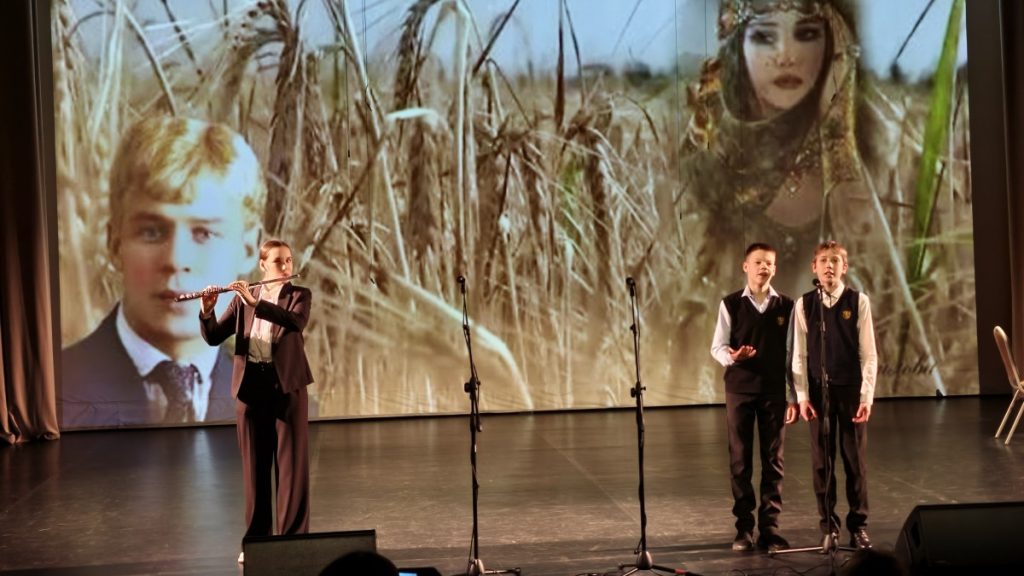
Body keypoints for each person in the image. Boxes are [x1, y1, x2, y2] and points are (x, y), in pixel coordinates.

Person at [61, 116, 265, 428]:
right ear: (114, 244)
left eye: (204, 234)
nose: (176, 259)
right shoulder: (52, 394)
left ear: (248, 249)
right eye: (152, 232)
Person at [199, 239, 313, 563]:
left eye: (289, 260)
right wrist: (207, 310)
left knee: (291, 473)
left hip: (286, 388)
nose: (286, 266)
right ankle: (257, 544)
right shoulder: (242, 299)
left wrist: (256, 302)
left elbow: (295, 323)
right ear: (263, 265)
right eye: (278, 261)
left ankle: (293, 544)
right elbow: (214, 336)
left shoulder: (299, 295)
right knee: (255, 474)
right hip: (251, 390)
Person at [711, 243, 798, 553]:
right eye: (758, 262)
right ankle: (744, 528)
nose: (764, 267)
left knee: (774, 461)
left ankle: (770, 528)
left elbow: (792, 353)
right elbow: (717, 346)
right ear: (745, 266)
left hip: (773, 391)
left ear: (775, 269)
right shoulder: (731, 304)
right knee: (740, 461)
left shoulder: (786, 306)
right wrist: (733, 356)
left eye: (769, 263)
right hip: (740, 390)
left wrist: (794, 395)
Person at [792, 240, 877, 550]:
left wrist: (866, 397)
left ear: (845, 267)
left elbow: (869, 353)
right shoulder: (804, 304)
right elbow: (799, 354)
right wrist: (802, 396)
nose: (829, 266)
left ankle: (859, 526)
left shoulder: (858, 301)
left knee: (855, 461)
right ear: (814, 267)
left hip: (851, 390)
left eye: (835, 261)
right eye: (824, 260)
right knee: (822, 463)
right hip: (818, 392)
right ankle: (829, 525)